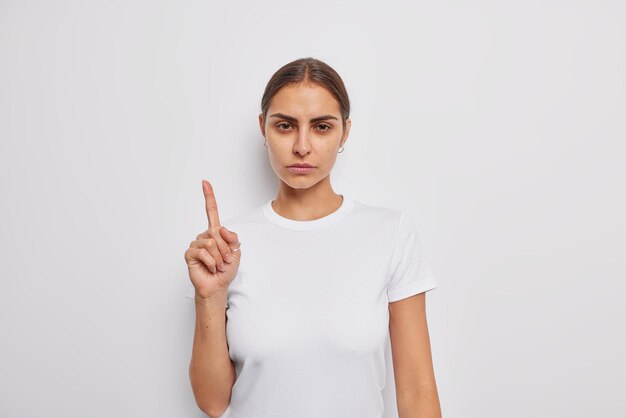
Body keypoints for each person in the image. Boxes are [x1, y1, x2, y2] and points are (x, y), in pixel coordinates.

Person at [184, 57, 442, 418]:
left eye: (321, 127)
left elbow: (417, 389)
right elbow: (213, 403)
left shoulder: (390, 233)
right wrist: (208, 297)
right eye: (285, 126)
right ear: (263, 128)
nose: (302, 146)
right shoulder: (227, 246)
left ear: (345, 132)